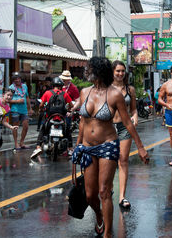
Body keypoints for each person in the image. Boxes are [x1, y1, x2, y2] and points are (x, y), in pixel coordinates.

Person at [72, 57, 149, 237]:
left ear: (98, 71)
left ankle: (107, 233)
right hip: (87, 147)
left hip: (107, 145)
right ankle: (98, 214)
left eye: (89, 69)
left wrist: (140, 147)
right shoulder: (85, 92)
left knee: (104, 191)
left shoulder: (115, 94)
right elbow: (83, 122)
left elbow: (128, 123)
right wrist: (77, 147)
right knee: (90, 195)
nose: (86, 72)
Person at [111, 60, 138, 209]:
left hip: (124, 127)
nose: (120, 73)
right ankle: (108, 189)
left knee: (123, 160)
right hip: (108, 127)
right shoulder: (106, 88)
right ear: (112, 72)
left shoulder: (130, 89)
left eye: (122, 71)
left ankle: (122, 196)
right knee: (109, 161)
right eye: (118, 71)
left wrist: (135, 116)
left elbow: (133, 109)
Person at [31, 77, 73, 159]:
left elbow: (41, 105)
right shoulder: (64, 94)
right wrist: (69, 110)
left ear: (53, 85)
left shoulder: (47, 93)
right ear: (61, 86)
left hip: (50, 118)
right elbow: (71, 105)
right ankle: (70, 149)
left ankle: (38, 147)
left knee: (42, 130)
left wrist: (41, 109)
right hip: (61, 118)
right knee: (68, 131)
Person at [9, 72, 34, 150]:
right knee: (15, 127)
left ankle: (22, 142)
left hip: (24, 110)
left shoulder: (24, 86)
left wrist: (30, 108)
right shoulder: (11, 88)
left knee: (26, 126)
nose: (17, 80)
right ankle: (16, 143)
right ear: (13, 80)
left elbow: (27, 97)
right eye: (15, 79)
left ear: (20, 79)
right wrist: (17, 101)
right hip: (15, 110)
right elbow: (8, 100)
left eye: (18, 78)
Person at [60, 70, 80, 155]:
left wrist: (72, 110)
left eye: (66, 79)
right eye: (64, 79)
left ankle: (70, 147)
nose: (65, 81)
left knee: (67, 128)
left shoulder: (73, 88)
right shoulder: (59, 86)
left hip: (68, 111)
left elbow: (78, 101)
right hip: (58, 110)